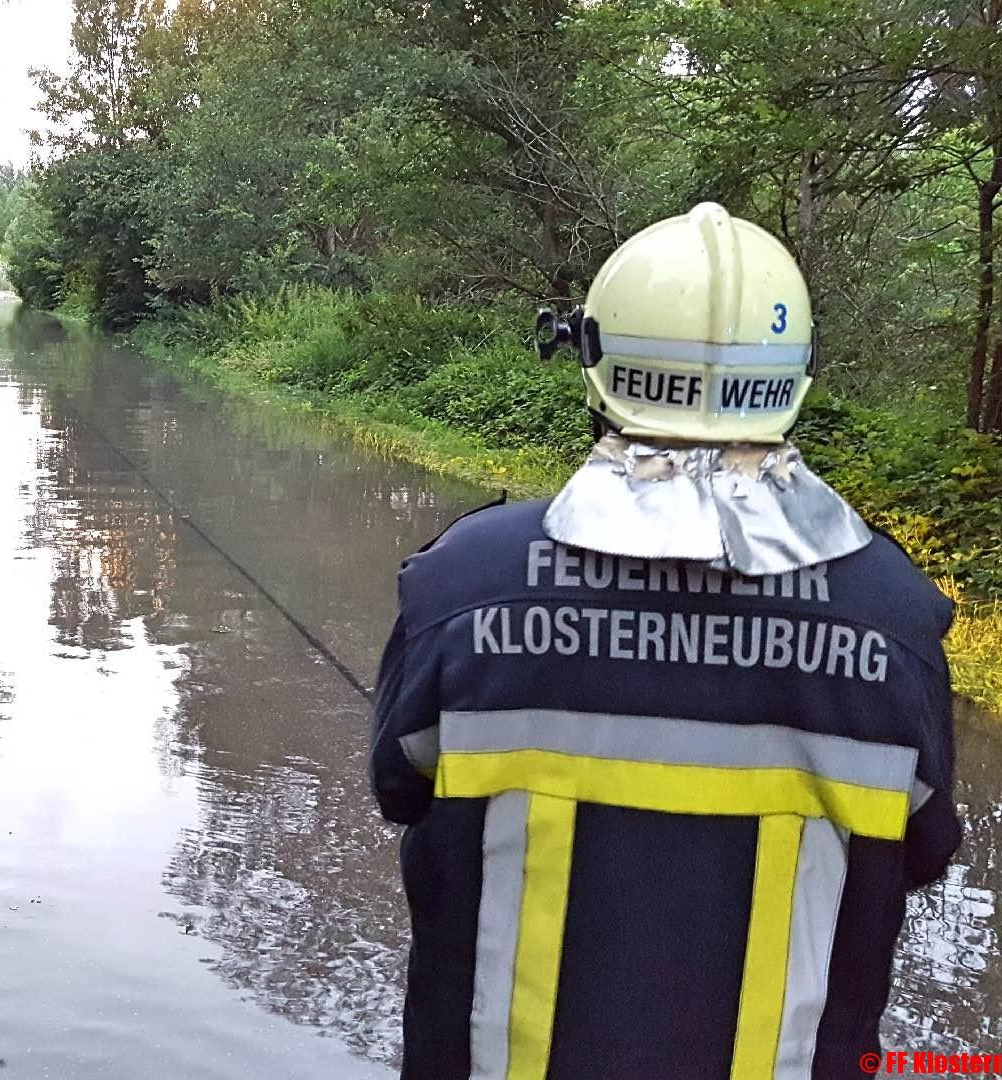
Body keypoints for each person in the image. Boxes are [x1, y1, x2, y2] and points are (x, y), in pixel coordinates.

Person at [370, 203, 961, 1080]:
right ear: (791, 378)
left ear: (596, 360)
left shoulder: (464, 592)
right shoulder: (895, 624)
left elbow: (400, 787)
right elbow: (919, 851)